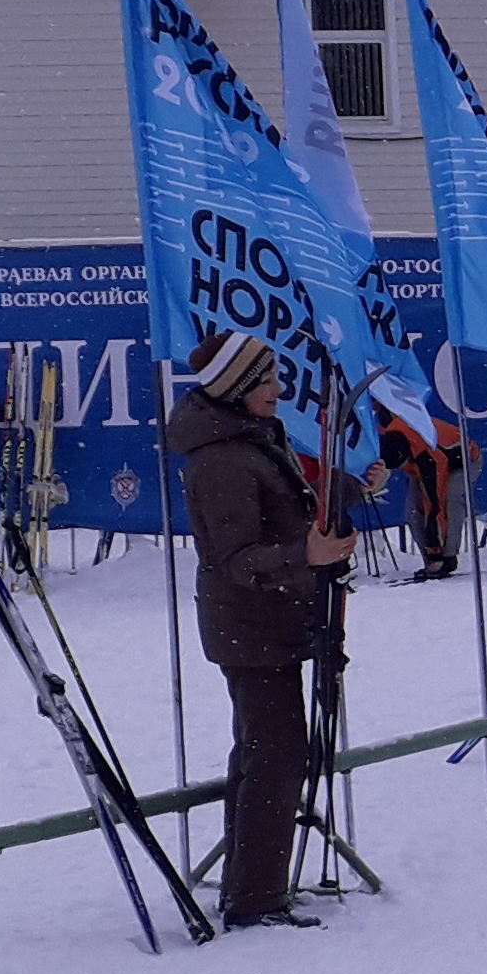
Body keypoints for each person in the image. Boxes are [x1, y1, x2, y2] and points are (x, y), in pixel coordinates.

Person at [165, 329, 357, 930]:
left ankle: (252, 886)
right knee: (276, 753)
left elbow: (285, 509)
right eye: (267, 381)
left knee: (262, 749)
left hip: (268, 620)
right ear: (238, 388)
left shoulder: (247, 439)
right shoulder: (222, 458)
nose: (279, 389)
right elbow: (235, 557)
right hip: (250, 625)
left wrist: (351, 490)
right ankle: (254, 899)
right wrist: (309, 556)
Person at [377, 406, 469, 580]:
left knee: (449, 502)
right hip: (419, 459)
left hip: (461, 462)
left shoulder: (430, 460)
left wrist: (438, 552)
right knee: (413, 510)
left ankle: (448, 557)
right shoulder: (390, 433)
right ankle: (430, 559)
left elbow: (436, 506)